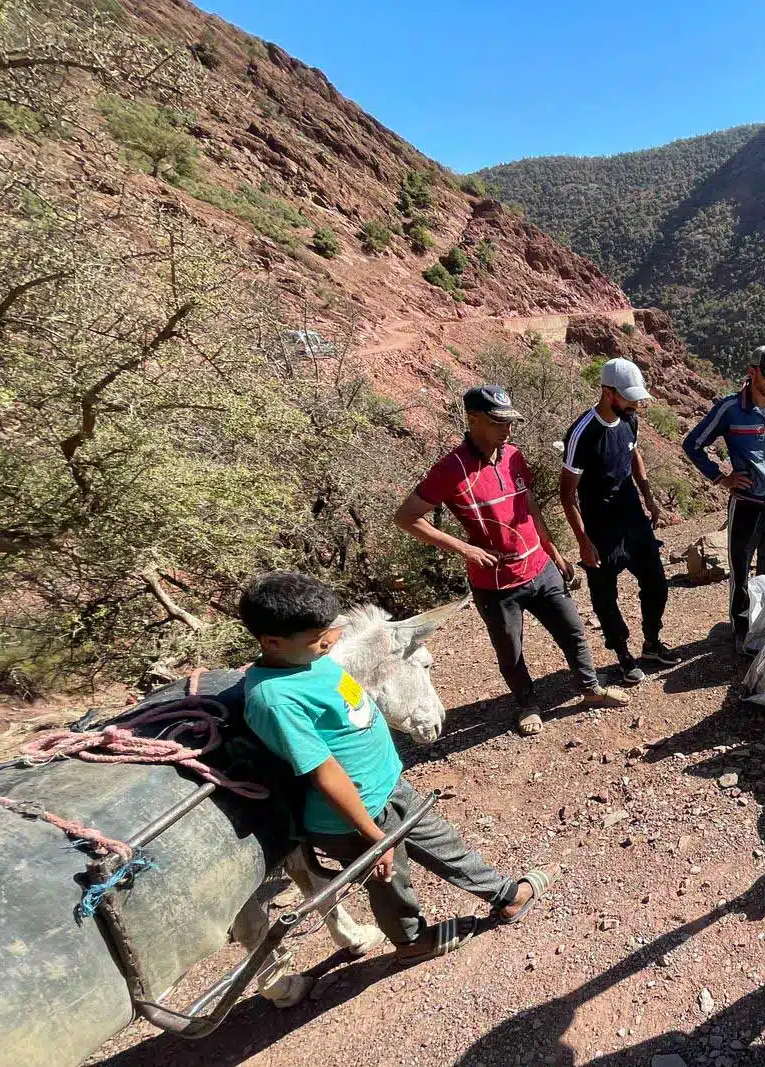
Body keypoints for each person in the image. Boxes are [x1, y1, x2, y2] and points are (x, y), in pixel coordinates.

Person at [239, 571, 555, 964]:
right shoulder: (274, 698)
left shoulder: (310, 659)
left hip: (388, 786)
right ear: (272, 642)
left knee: (443, 841)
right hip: (351, 819)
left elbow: (352, 704)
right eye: (319, 640)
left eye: (330, 632)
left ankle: (506, 895)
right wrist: (374, 836)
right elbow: (324, 773)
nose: (330, 642)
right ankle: (410, 941)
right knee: (390, 881)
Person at [394, 384, 628, 736]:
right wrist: (466, 549)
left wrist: (554, 552)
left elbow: (528, 505)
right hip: (496, 584)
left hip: (540, 567)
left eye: (510, 422)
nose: (507, 430)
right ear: (473, 419)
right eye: (498, 422)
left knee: (573, 631)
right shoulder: (450, 469)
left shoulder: (513, 454)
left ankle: (590, 688)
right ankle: (527, 704)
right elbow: (406, 517)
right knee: (511, 651)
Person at [560, 358, 682, 685]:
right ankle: (623, 654)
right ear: (607, 392)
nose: (636, 404)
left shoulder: (630, 420)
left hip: (632, 515)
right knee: (605, 595)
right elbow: (567, 493)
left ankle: (652, 642)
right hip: (601, 525)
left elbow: (633, 454)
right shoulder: (583, 433)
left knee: (655, 581)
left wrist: (649, 498)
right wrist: (584, 542)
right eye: (629, 397)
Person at [682, 344, 765, 654]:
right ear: (752, 372)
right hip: (746, 503)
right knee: (740, 568)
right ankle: (741, 629)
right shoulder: (730, 409)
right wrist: (721, 478)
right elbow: (693, 444)